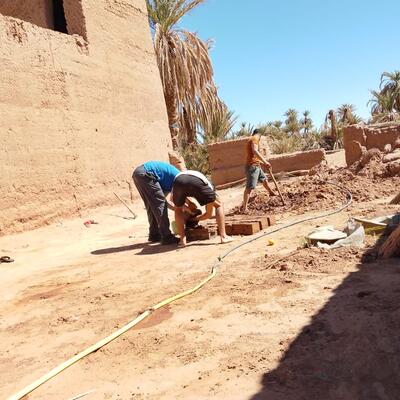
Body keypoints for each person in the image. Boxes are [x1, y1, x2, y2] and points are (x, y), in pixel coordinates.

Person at [172, 170, 233, 247]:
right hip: (196, 182)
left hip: (178, 181)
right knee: (219, 205)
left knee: (178, 209)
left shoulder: (186, 176)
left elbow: (174, 200)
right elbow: (208, 214)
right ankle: (224, 237)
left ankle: (182, 241)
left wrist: (189, 210)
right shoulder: (209, 186)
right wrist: (194, 219)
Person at [132, 161, 180, 245]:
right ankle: (167, 236)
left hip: (139, 173)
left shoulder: (167, 184)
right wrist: (180, 209)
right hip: (146, 174)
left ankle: (154, 234)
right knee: (159, 205)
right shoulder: (179, 182)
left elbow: (162, 203)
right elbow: (163, 204)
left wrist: (176, 209)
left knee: (152, 205)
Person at [241, 129, 276, 213]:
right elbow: (255, 151)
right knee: (249, 187)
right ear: (259, 135)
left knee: (264, 179)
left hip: (256, 165)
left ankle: (271, 192)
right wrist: (265, 161)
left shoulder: (251, 139)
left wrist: (262, 163)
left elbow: (253, 155)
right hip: (252, 167)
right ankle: (244, 208)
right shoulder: (255, 138)